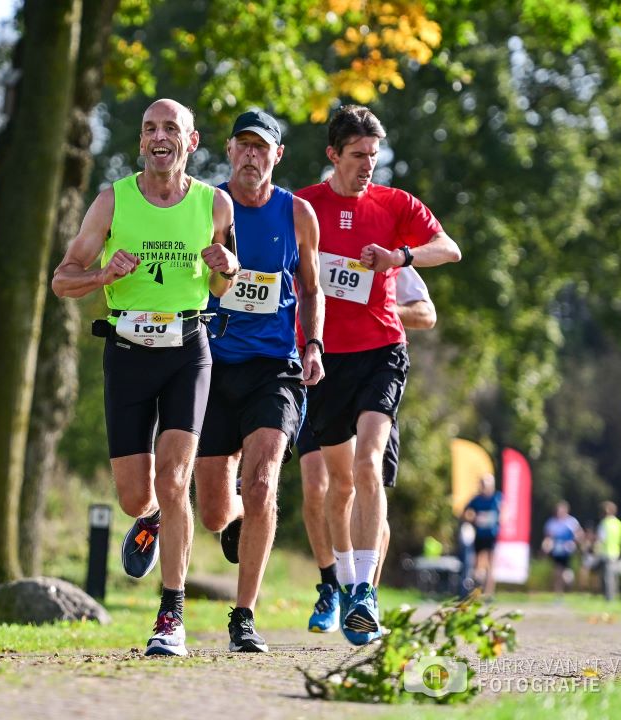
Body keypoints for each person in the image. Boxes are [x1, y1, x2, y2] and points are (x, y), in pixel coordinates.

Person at [51, 99, 238, 656]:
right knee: (137, 496)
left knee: (176, 476)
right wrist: (104, 273)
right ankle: (151, 518)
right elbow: (63, 280)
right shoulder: (112, 200)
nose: (160, 137)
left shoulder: (215, 203)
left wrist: (224, 267)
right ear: (140, 143)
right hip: (128, 351)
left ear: (192, 140)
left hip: (188, 348)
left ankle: (170, 615)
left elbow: (226, 284)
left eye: (171, 129)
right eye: (150, 129)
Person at [295, 105, 462, 645]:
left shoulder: (395, 204)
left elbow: (449, 249)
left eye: (374, 155)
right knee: (337, 484)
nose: (368, 165)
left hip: (382, 349)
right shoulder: (305, 205)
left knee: (369, 463)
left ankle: (365, 590)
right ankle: (346, 586)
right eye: (358, 155)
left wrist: (400, 257)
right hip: (324, 359)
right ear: (333, 155)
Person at [191, 110, 324, 653]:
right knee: (215, 511)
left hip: (275, 368)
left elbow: (312, 288)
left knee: (265, 476)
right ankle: (238, 515)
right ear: (228, 151)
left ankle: (243, 616)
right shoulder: (206, 206)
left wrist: (313, 343)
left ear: (277, 156)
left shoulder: (298, 214)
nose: (251, 155)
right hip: (212, 364)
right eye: (242, 146)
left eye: (260, 147)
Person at [297, 265, 436, 632]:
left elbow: (426, 313)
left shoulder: (384, 252)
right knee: (317, 487)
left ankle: (364, 599)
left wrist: (378, 307)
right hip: (321, 377)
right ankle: (333, 585)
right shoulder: (311, 232)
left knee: (368, 481)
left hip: (374, 384)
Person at [462, 474, 503, 598]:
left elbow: (505, 513)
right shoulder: (476, 500)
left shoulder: (498, 498)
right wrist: (473, 517)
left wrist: (499, 518)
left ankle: (489, 593)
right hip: (479, 535)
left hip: (492, 535)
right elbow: (466, 514)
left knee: (491, 564)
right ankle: (477, 592)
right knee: (477, 564)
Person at [542, 500, 582, 596]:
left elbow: (579, 534)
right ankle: (558, 594)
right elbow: (548, 537)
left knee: (566, 575)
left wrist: (573, 542)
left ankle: (568, 584)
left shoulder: (571, 521)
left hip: (568, 551)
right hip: (556, 551)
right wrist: (545, 547)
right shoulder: (551, 522)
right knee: (557, 573)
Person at [593, 501, 621, 601]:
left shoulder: (604, 523)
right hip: (616, 552)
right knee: (614, 577)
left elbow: (601, 539)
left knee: (607, 578)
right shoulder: (619, 523)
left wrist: (595, 551)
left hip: (606, 553)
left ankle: (609, 598)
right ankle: (615, 595)